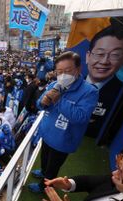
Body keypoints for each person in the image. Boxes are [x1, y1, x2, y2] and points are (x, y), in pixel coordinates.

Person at [28, 51, 99, 193]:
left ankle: (44, 186)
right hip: (47, 132)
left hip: (63, 140)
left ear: (78, 70)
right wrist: (42, 101)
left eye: (67, 71)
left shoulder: (89, 91)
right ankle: (42, 171)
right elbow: (39, 104)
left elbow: (81, 117)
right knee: (45, 156)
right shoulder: (54, 84)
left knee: (53, 167)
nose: (62, 75)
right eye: (59, 71)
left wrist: (59, 100)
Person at [85, 26, 123, 137]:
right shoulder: (71, 84)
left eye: (115, 55)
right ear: (88, 56)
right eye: (100, 54)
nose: (104, 61)